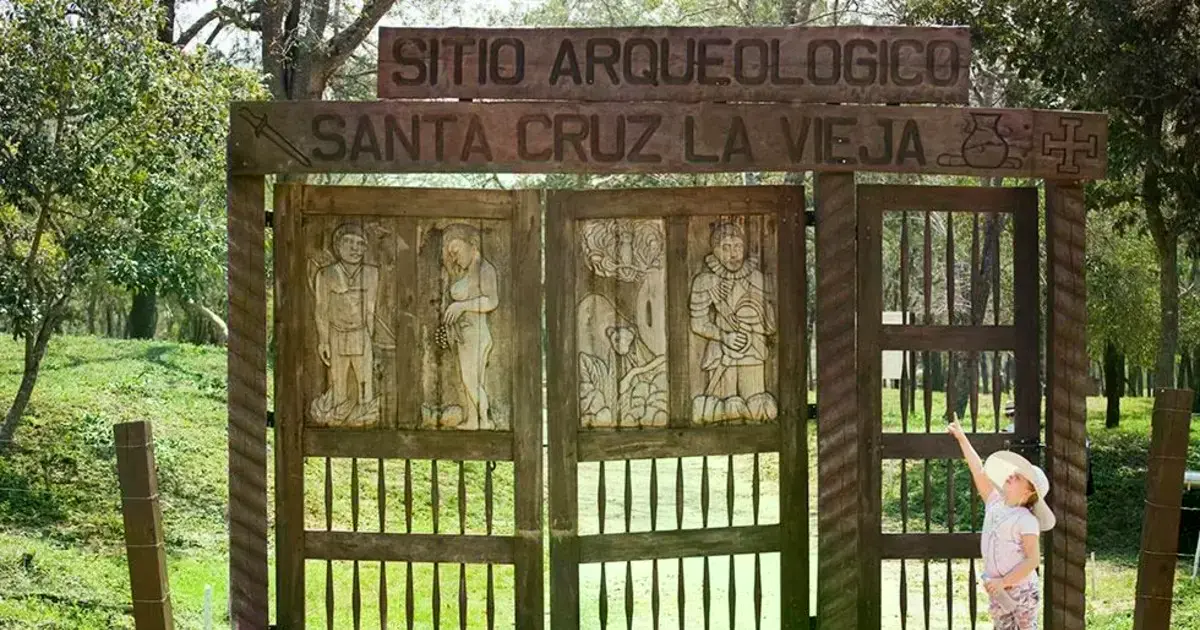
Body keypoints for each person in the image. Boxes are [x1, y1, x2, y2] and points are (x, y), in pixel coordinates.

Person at [948, 418, 1055, 629]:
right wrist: (962, 438)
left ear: (1028, 492)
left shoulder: (1026, 520)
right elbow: (978, 470)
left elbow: (1032, 560)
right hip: (998, 589)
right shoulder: (994, 501)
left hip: (1021, 590)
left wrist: (1004, 582)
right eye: (1012, 473)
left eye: (1017, 477)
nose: (1011, 476)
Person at [689, 221, 777, 422]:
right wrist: (724, 337)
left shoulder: (757, 278)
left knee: (757, 405)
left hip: (753, 348)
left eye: (737, 246)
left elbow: (770, 323)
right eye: (726, 247)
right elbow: (697, 323)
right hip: (722, 350)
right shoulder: (704, 281)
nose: (733, 253)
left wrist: (757, 318)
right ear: (715, 250)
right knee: (726, 406)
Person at [312, 223, 379, 425]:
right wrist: (323, 341)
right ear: (337, 245)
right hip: (336, 335)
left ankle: (367, 418)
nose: (355, 248)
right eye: (349, 242)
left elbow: (371, 309)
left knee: (365, 383)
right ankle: (338, 419)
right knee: (338, 384)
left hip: (361, 335)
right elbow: (321, 310)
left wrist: (371, 340)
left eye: (360, 244)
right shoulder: (325, 274)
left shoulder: (372, 273)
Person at [440, 223, 499, 430]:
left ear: (472, 244)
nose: (454, 258)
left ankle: (486, 420)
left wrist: (461, 306)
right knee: (471, 381)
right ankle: (474, 420)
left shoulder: (485, 269)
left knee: (470, 379)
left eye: (456, 251)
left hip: (477, 334)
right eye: (451, 254)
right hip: (465, 335)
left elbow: (492, 302)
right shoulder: (468, 273)